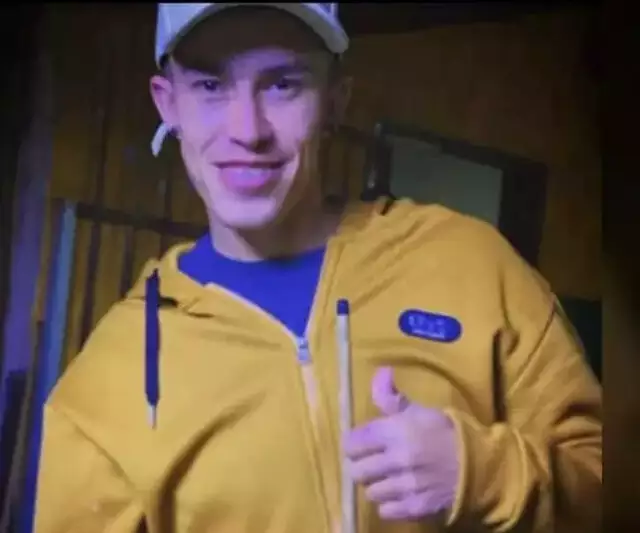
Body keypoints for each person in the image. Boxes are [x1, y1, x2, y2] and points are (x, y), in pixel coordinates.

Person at [33, 3, 602, 533]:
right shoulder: (102, 387)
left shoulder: (471, 264)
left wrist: (484, 475)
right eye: (210, 85)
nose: (247, 129)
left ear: (335, 100)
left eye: (282, 83)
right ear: (168, 104)